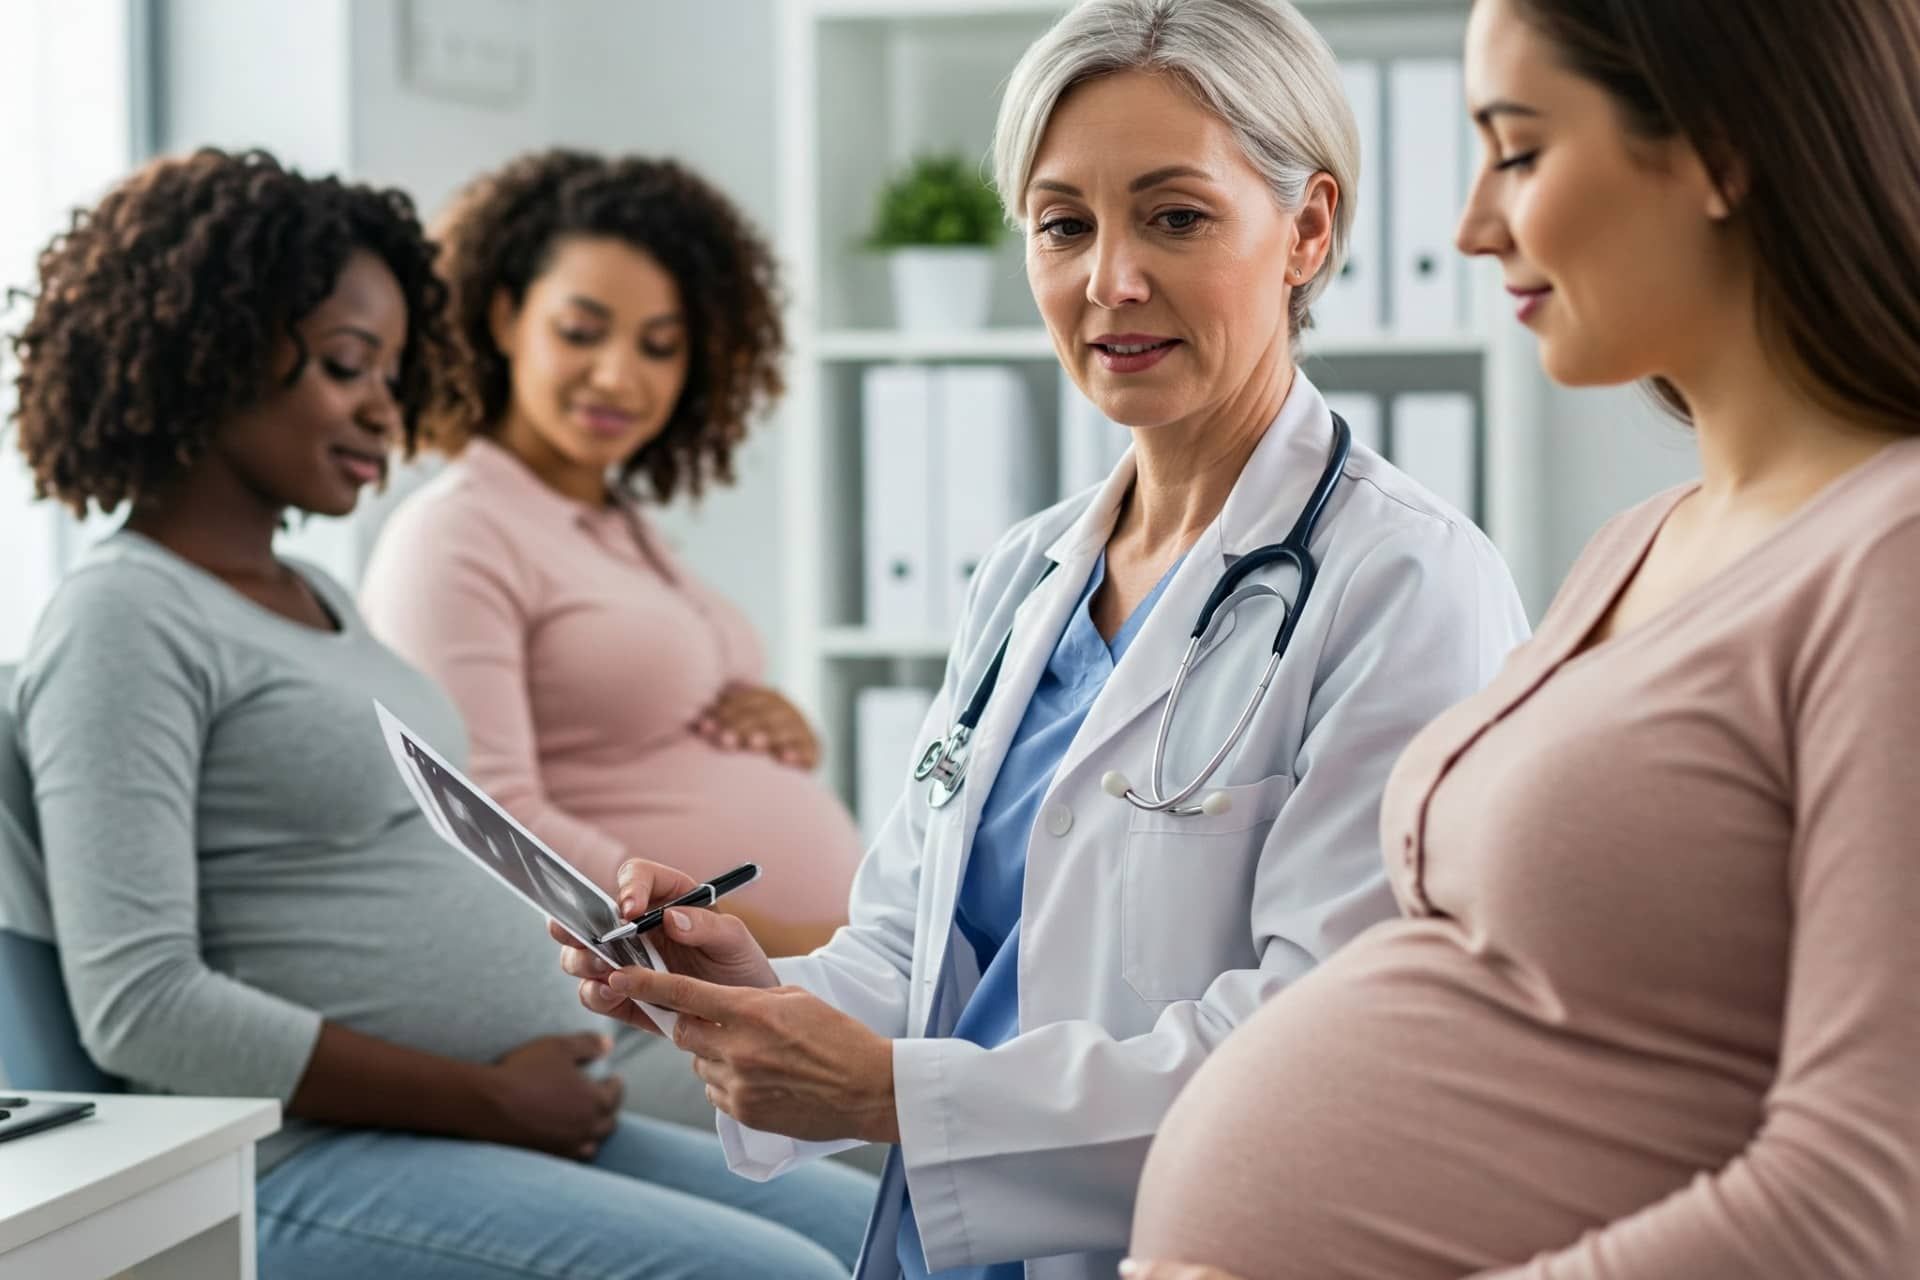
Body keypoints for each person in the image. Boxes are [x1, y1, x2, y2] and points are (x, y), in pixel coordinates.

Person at [556, 2, 1530, 1277]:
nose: (1109, 280)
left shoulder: (1406, 581)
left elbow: (1324, 1051)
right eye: (1064, 224)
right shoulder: (1029, 574)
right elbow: (921, 951)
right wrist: (754, 996)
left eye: (1174, 217)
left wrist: (894, 1095)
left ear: (1307, 230)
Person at [1124, 0, 1920, 1276]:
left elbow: (1865, 1206)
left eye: (1522, 149)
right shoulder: (1644, 541)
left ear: (1721, 148)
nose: (1471, 225)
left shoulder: (1893, 561)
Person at [6, 148, 873, 1279]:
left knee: (878, 1236)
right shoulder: (124, 616)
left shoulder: (314, 600)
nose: (386, 406)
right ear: (210, 348)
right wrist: (480, 1095)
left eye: (393, 369)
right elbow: (142, 1004)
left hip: (501, 1113)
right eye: (347, 364)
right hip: (306, 1152)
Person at [360, 150, 859, 961]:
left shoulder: (618, 525)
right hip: (661, 978)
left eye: (660, 346)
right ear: (505, 318)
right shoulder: (455, 534)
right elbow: (491, 818)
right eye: (581, 332)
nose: (619, 376)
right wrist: (758, 942)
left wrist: (776, 726)